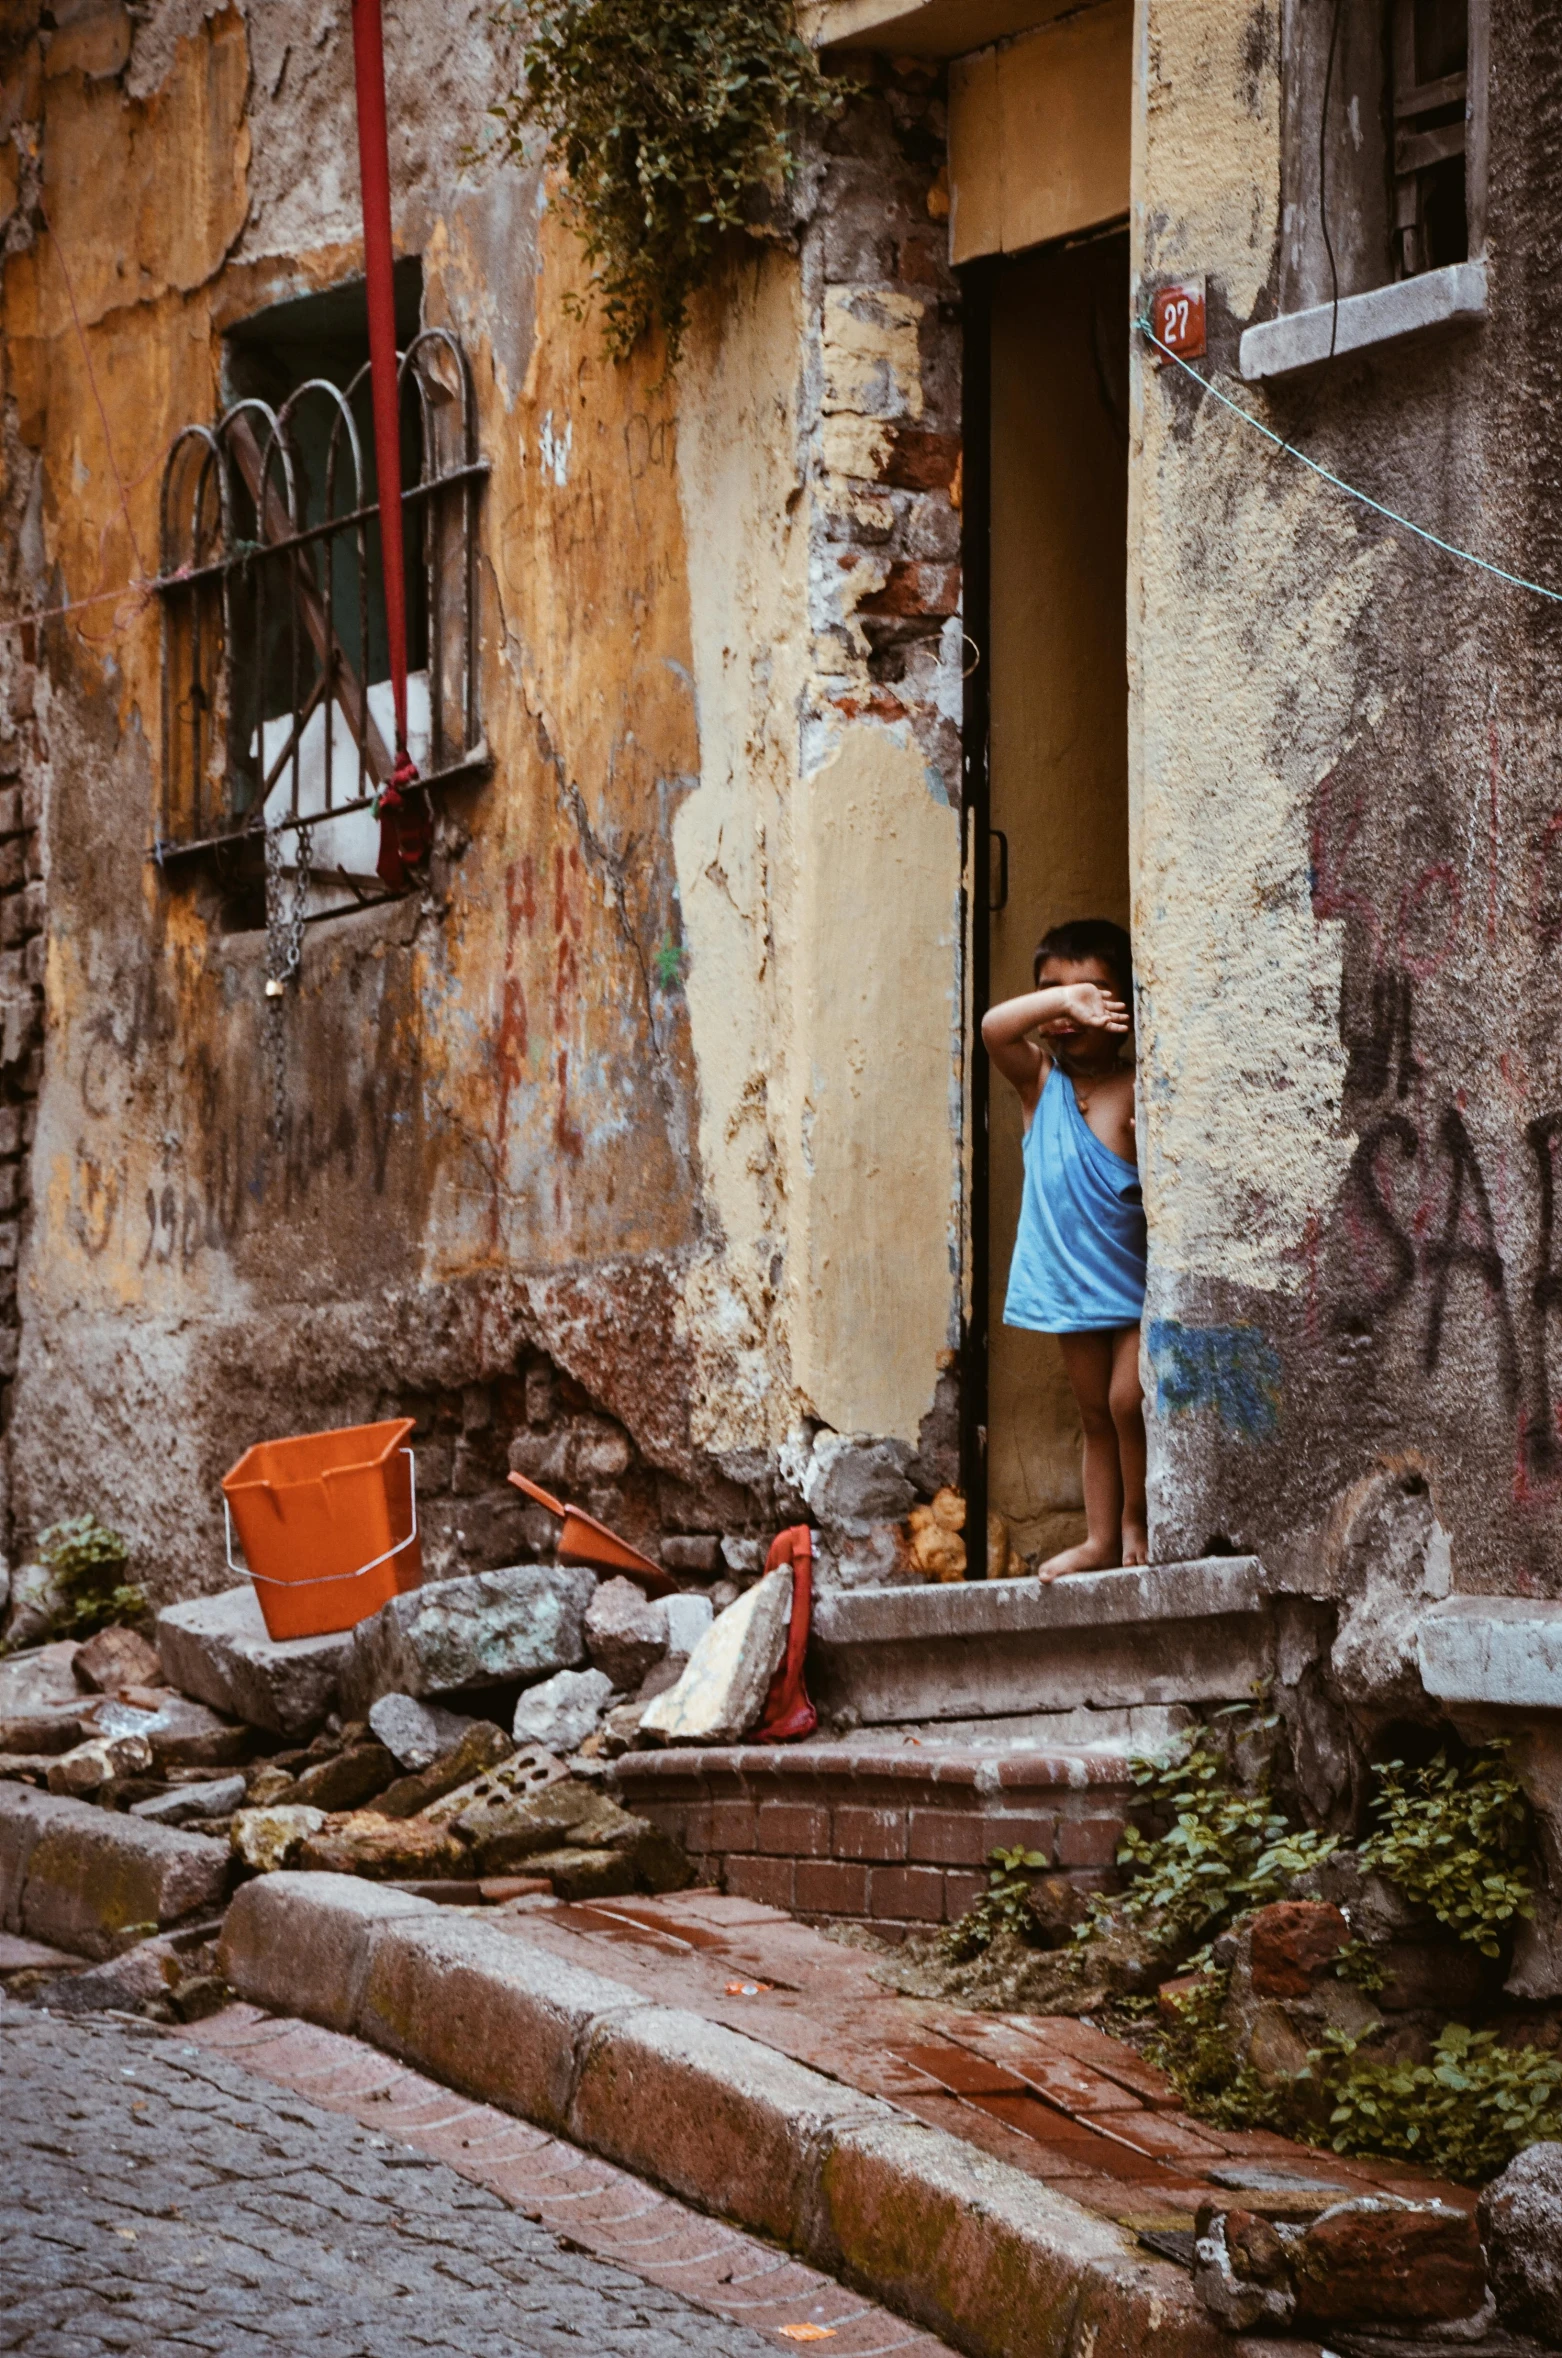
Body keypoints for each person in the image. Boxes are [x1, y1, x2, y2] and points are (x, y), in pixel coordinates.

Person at [981, 918, 1147, 1580]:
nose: (1072, 1006)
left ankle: (1137, 1520)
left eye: (1092, 993)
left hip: (1135, 1289)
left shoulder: (1139, 1088)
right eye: (1053, 992)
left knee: (1127, 1402)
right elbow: (995, 1027)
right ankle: (1101, 1540)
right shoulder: (1039, 1085)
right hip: (1072, 1289)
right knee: (1095, 1418)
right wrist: (1062, 1001)